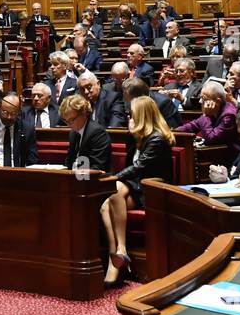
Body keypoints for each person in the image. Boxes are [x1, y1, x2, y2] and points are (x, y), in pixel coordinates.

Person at [101, 97, 174, 285]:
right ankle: (114, 255)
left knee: (114, 190)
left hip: (153, 188)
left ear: (141, 115)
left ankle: (121, 250)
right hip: (137, 185)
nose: (128, 117)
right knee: (104, 205)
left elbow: (139, 167)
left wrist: (113, 177)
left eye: (131, 114)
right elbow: (130, 168)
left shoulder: (157, 138)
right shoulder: (136, 135)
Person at [59, 91, 111, 172]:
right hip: (77, 178)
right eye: (66, 121)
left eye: (72, 120)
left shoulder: (97, 133)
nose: (69, 125)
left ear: (83, 113)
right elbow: (69, 162)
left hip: (97, 181)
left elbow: (97, 167)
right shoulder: (73, 133)